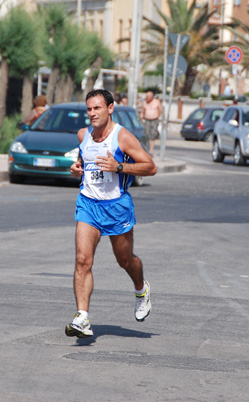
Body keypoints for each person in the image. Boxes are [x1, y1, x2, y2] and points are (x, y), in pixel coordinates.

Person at [65, 89, 157, 338]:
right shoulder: (83, 134)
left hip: (117, 206)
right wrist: (76, 169)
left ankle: (141, 289)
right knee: (83, 259)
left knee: (125, 261)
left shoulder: (122, 137)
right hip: (88, 204)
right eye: (89, 109)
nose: (92, 113)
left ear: (110, 108)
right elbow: (82, 163)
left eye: (97, 108)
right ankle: (82, 316)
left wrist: (119, 166)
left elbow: (150, 167)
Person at [140, 90, 162, 157]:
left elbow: (160, 110)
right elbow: (142, 111)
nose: (147, 97)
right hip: (146, 120)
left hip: (154, 120)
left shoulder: (156, 102)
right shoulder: (144, 102)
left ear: (152, 96)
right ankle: (146, 150)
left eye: (148, 96)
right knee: (146, 135)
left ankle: (151, 151)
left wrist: (158, 117)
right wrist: (141, 118)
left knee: (152, 136)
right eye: (146, 96)